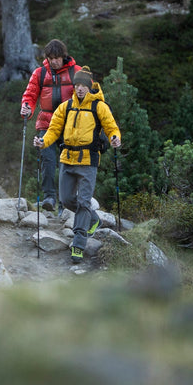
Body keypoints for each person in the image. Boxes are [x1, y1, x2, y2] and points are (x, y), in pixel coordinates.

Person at [34, 66, 122, 263]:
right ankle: (94, 218)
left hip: (88, 161)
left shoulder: (99, 106)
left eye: (83, 86)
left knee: (83, 202)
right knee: (66, 200)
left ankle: (79, 244)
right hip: (67, 159)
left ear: (89, 87)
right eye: (77, 85)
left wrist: (115, 138)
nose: (80, 89)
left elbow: (111, 127)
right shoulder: (65, 107)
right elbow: (54, 129)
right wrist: (43, 142)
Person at [20, 39, 84, 212]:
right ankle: (49, 197)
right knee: (47, 161)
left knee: (67, 164)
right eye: (50, 58)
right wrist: (26, 107)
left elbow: (88, 94)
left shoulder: (76, 72)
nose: (53, 62)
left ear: (63, 56)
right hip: (46, 123)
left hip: (69, 124)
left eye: (56, 58)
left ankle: (65, 202)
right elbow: (30, 94)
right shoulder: (40, 73)